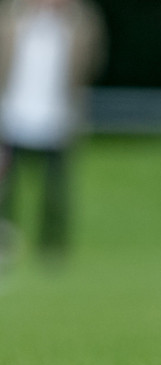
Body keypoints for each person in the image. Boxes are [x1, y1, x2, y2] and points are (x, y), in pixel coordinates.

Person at [0, 0, 106, 261]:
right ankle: (5, 241)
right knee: (6, 188)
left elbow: (93, 60)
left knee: (54, 190)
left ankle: (52, 247)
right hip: (12, 115)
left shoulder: (80, 23)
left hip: (57, 117)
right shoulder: (11, 19)